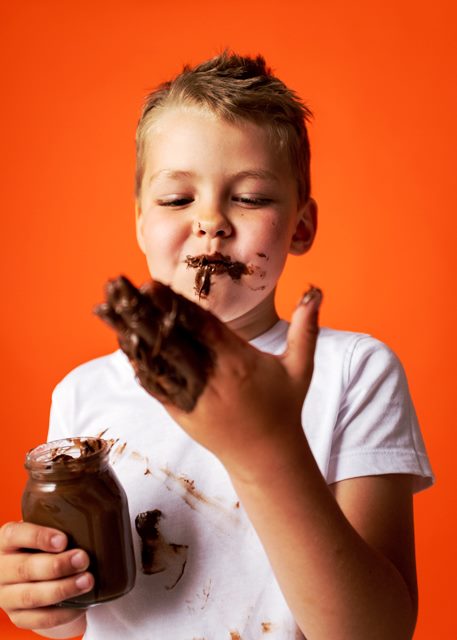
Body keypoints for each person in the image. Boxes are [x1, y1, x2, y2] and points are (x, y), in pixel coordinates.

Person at [0, 52, 433, 640]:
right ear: (140, 224)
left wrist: (266, 448)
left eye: (250, 198)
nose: (211, 221)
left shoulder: (355, 372)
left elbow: (376, 631)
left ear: (300, 227)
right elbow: (89, 619)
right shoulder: (80, 395)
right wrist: (47, 597)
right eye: (178, 200)